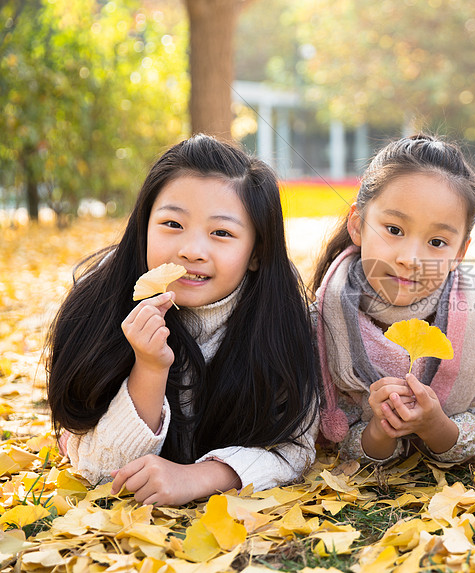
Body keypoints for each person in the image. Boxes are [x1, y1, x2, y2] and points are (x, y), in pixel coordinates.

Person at [47, 135, 319, 506]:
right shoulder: (99, 306)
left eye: (221, 233)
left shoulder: (282, 319)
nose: (191, 250)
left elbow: (296, 447)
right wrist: (149, 367)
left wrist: (197, 477)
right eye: (172, 224)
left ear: (256, 252)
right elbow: (99, 470)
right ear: (143, 225)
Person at [312, 134, 475, 464]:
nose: (411, 258)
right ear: (358, 225)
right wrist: (378, 430)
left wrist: (436, 426)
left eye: (436, 241)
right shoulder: (321, 323)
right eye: (394, 230)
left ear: (460, 251)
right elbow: (335, 438)